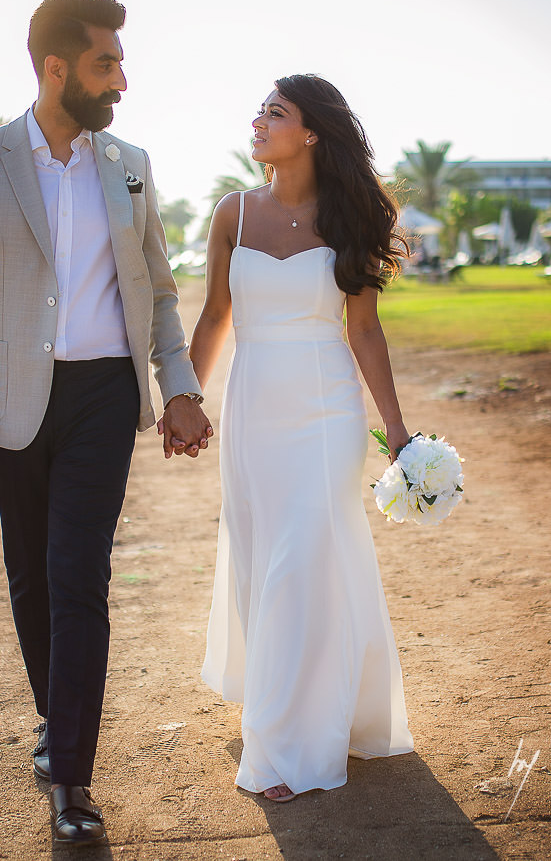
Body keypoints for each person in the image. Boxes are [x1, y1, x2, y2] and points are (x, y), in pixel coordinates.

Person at [0, 0, 212, 846]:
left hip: (100, 397)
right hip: (12, 403)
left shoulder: (128, 163)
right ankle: (57, 722)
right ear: (56, 68)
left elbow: (158, 289)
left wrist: (181, 388)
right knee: (30, 578)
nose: (121, 78)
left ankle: (72, 777)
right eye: (105, 62)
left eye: (120, 62)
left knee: (77, 571)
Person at [190, 74, 415, 803]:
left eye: (275, 112)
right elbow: (215, 316)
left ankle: (289, 747)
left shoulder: (348, 215)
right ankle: (316, 707)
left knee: (301, 565)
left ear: (312, 131)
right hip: (254, 411)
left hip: (327, 414)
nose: (257, 121)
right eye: (258, 110)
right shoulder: (232, 211)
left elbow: (365, 330)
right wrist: (183, 398)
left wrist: (398, 429)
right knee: (267, 563)